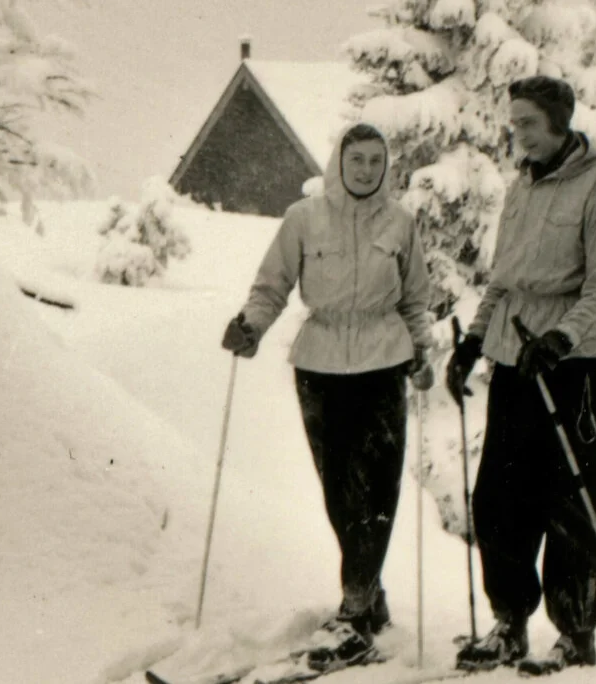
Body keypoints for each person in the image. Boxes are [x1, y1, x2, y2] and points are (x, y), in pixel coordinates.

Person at [221, 122, 435, 671]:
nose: (366, 170)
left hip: (383, 361)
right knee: (341, 493)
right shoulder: (304, 219)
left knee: (380, 488)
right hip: (319, 366)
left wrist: (421, 354)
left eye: (375, 161)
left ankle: (355, 608)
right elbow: (271, 285)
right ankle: (368, 595)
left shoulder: (401, 223)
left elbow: (415, 300)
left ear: (386, 167)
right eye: (356, 159)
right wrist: (251, 326)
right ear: (338, 161)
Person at [445, 75, 596, 675]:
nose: (516, 132)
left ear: (559, 120)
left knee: (569, 501)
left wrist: (560, 339)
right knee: (498, 499)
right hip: (513, 360)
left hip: (574, 368)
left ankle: (575, 634)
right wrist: (473, 342)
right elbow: (502, 281)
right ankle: (509, 625)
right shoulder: (519, 189)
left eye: (526, 121)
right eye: (513, 121)